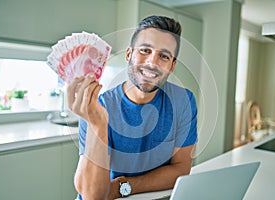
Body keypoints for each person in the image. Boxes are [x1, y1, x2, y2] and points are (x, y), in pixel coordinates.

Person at [67, 15, 198, 200]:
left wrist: (124, 186)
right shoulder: (98, 106)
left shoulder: (183, 101)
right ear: (129, 54)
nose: (152, 62)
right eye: (145, 50)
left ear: (172, 65)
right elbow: (92, 196)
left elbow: (181, 169)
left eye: (164, 56)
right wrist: (98, 125)